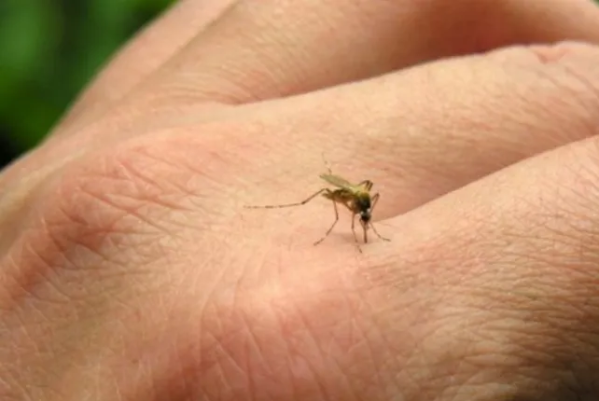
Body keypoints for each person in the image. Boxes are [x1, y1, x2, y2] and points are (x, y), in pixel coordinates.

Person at [3, 0, 599, 399]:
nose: (362, 211)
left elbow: (364, 201)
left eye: (363, 211)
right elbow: (345, 193)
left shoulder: (362, 202)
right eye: (363, 210)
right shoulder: (344, 197)